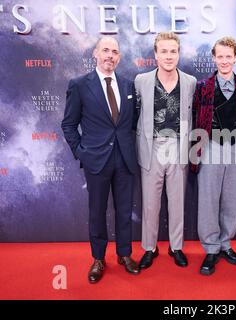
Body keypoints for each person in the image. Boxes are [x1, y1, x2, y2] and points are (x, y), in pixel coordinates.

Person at [61, 36, 140, 284]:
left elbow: (132, 123)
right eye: (105, 50)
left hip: (125, 159)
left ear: (119, 57)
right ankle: (98, 258)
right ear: (95, 53)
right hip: (96, 160)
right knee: (97, 212)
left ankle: (125, 254)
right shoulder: (80, 85)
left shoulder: (128, 86)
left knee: (125, 211)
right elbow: (69, 124)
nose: (110, 55)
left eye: (114, 52)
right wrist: (81, 151)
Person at [192, 37, 236, 276]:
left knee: (233, 197)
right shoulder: (203, 87)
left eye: (229, 56)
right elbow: (196, 119)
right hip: (210, 147)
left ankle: (225, 244)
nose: (225, 60)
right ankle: (210, 247)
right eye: (220, 56)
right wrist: (194, 153)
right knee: (208, 198)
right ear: (214, 58)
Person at [135, 32, 196, 269]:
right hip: (152, 147)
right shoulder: (142, 80)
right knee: (150, 203)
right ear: (155, 54)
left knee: (177, 201)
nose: (169, 56)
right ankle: (149, 248)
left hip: (179, 146)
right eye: (164, 51)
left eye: (173, 51)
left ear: (178, 53)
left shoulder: (189, 82)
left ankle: (176, 247)